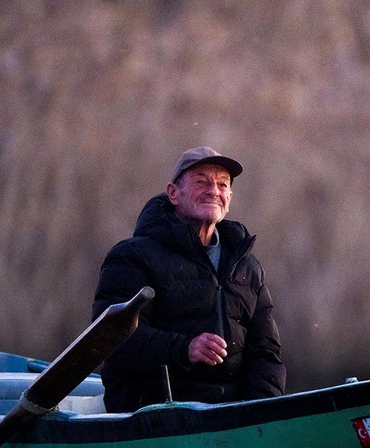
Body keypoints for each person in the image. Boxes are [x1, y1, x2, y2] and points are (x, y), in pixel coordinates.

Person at [92, 146, 286, 412]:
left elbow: (265, 352)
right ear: (173, 193)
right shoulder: (132, 257)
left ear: (230, 197)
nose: (213, 191)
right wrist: (184, 349)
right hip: (152, 418)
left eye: (222, 184)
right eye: (201, 181)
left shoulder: (248, 267)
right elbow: (111, 338)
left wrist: (260, 412)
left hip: (232, 418)